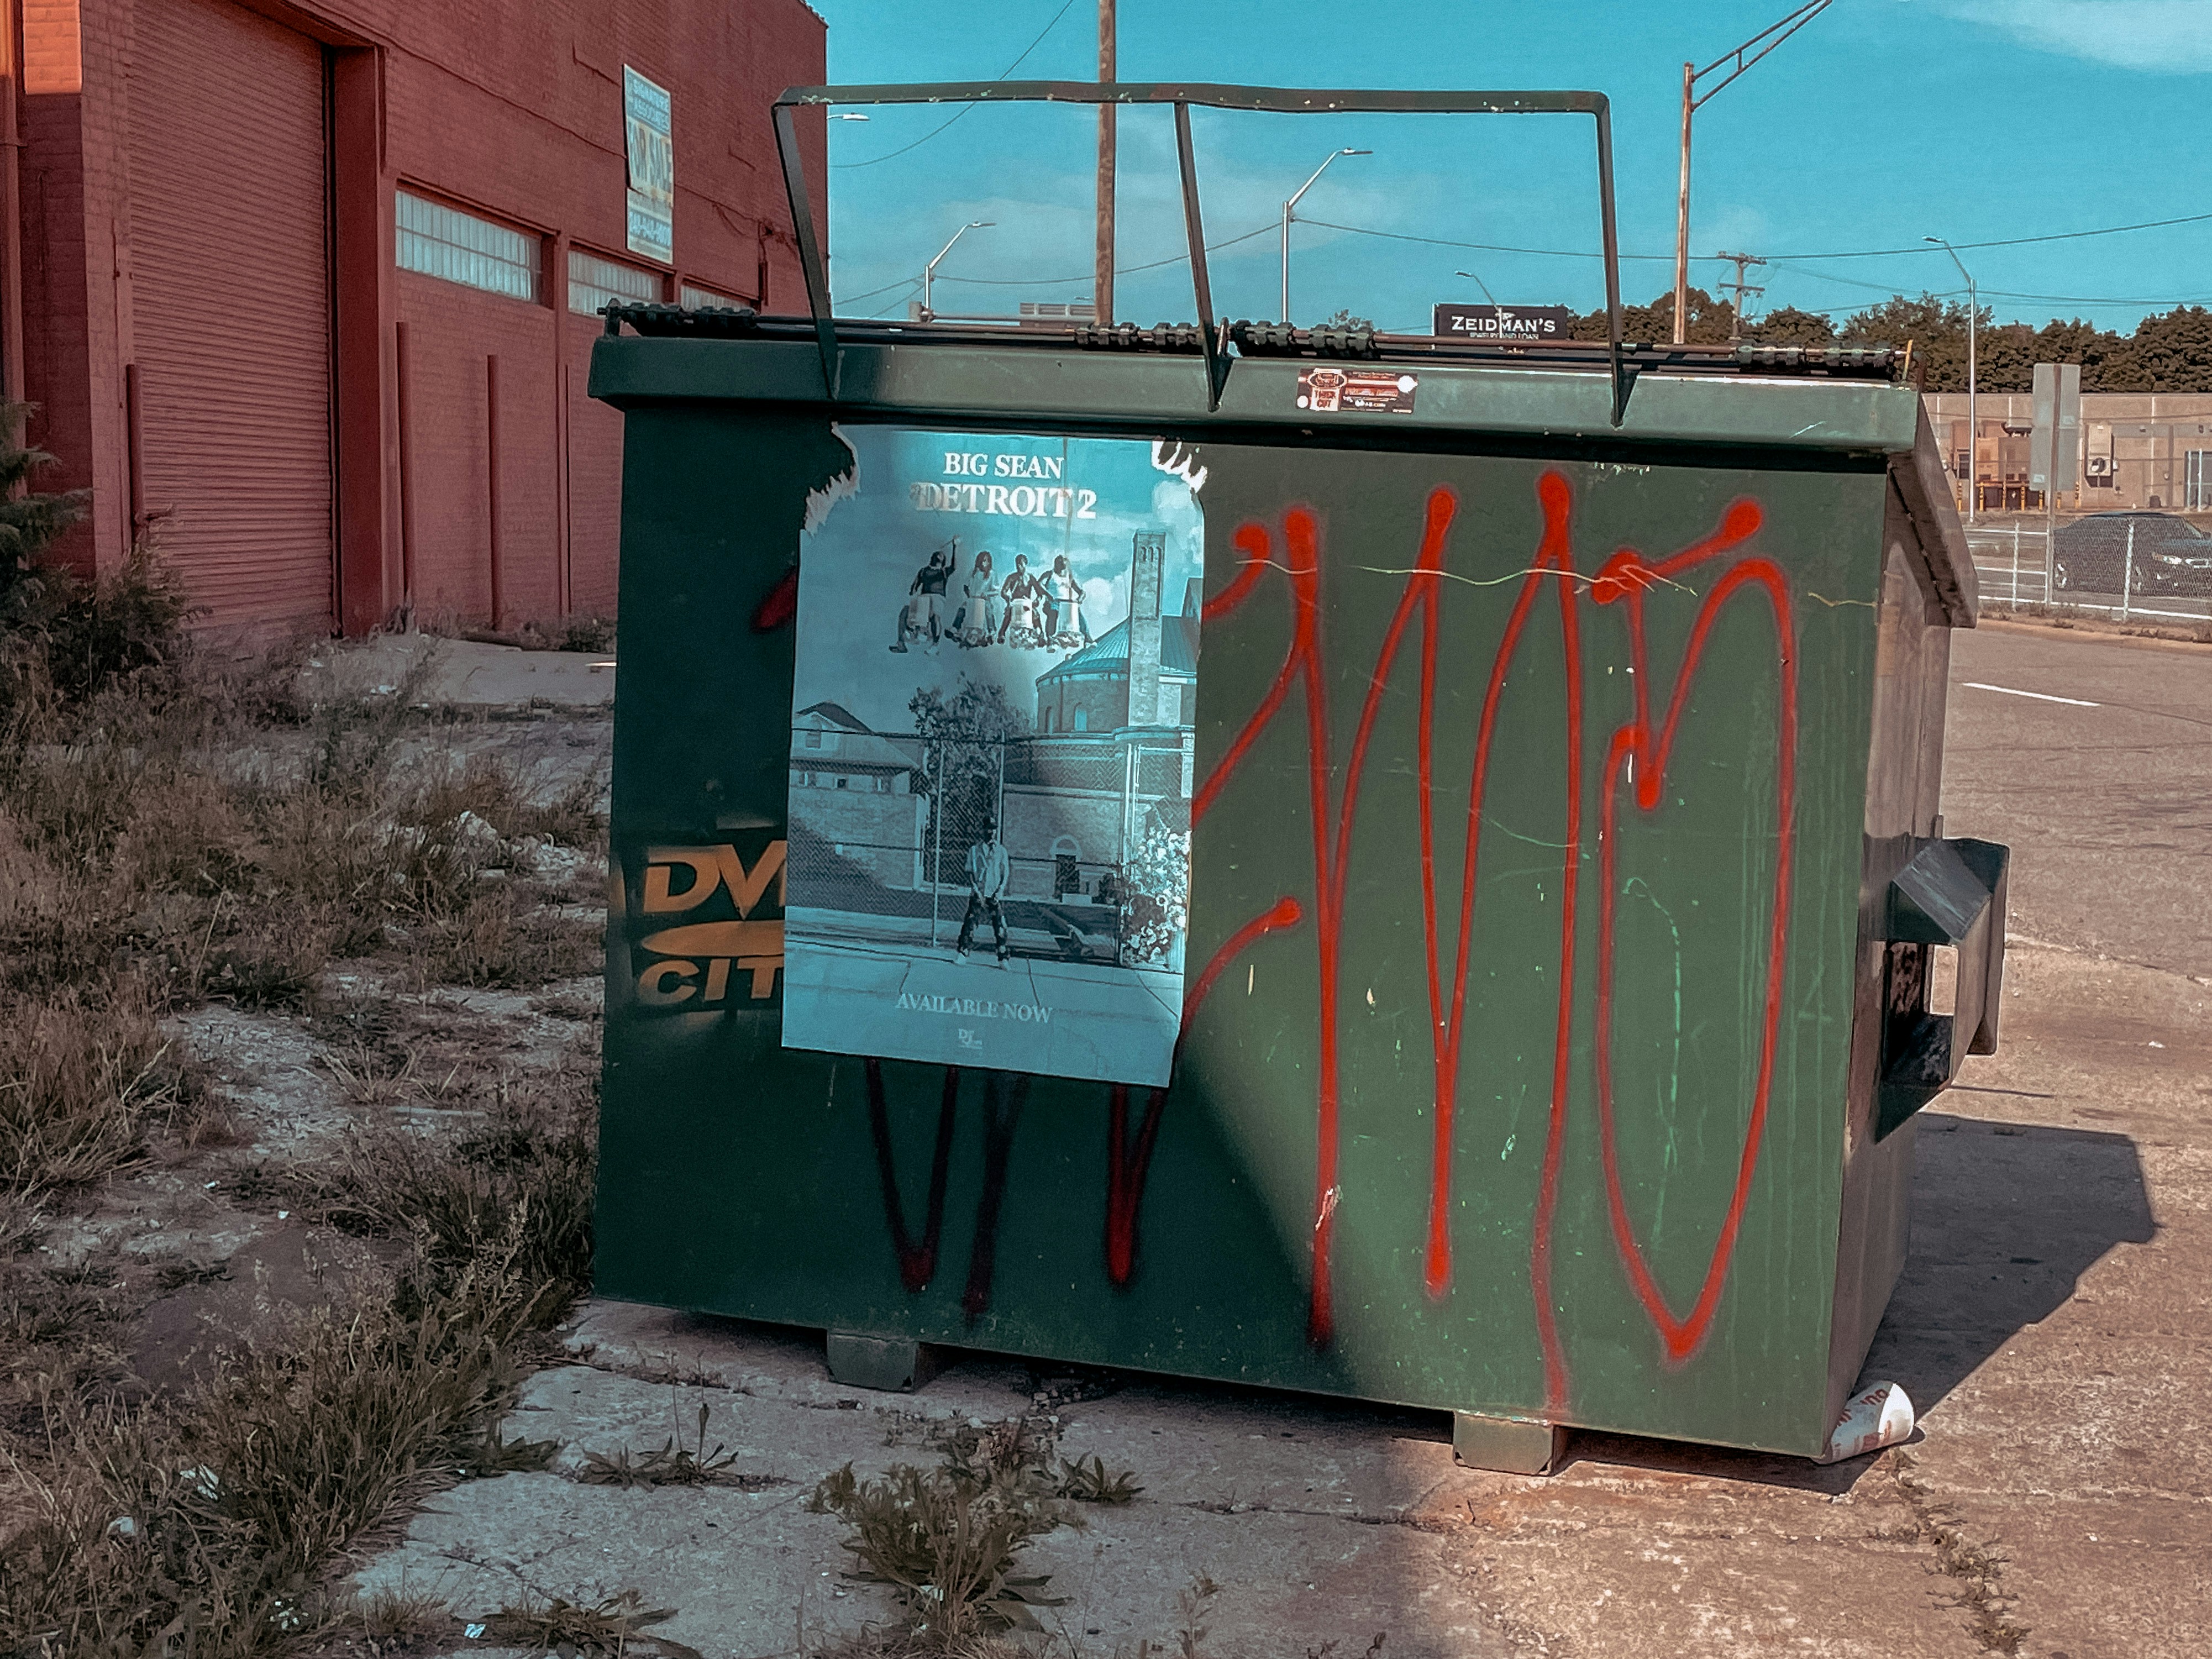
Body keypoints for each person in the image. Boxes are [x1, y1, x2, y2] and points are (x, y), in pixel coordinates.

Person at [955, 816, 1011, 963]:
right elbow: (970, 872)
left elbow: (1005, 873)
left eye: (993, 829)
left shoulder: (1001, 851)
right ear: (983, 830)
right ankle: (963, 953)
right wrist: (976, 890)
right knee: (970, 923)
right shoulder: (975, 850)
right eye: (988, 829)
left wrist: (1000, 890)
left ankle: (1003, 957)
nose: (991, 832)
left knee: (1000, 926)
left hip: (994, 893)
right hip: (979, 892)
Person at [890, 544, 952, 653]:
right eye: (937, 554)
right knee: (906, 611)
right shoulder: (924, 571)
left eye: (941, 555)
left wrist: (955, 546)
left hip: (937, 597)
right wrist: (913, 589)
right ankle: (902, 643)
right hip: (924, 598)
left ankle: (935, 644)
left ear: (943, 560)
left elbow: (954, 566)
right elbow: (916, 582)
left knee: (935, 615)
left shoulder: (944, 572)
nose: (939, 555)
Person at [950, 549, 999, 646]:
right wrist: (969, 594)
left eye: (986, 561)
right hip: (972, 599)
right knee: (962, 609)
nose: (983, 563)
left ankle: (991, 632)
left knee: (988, 611)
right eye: (982, 561)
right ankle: (956, 628)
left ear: (989, 562)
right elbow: (966, 585)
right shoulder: (974, 572)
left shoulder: (992, 574)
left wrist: (987, 594)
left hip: (984, 600)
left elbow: (996, 591)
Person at [1045, 554, 1088, 648]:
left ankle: (1087, 637)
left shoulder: (1069, 578)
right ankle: (1050, 639)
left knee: (1077, 611)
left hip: (1067, 603)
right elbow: (1039, 585)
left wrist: (1079, 600)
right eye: (1059, 564)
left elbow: (1082, 592)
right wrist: (1047, 595)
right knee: (1053, 612)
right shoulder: (1050, 575)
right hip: (1055, 601)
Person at [999, 553, 1039, 647]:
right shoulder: (1012, 578)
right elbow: (1003, 592)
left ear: (1026, 564)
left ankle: (1040, 635)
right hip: (1015, 603)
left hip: (1027, 604)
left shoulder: (1031, 578)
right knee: (1008, 613)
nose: (1019, 566)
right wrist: (1008, 599)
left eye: (1021, 564)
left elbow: (1039, 593)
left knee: (1035, 614)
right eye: (1017, 563)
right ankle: (1002, 634)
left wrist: (1037, 601)